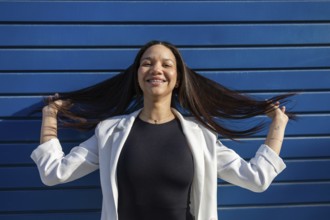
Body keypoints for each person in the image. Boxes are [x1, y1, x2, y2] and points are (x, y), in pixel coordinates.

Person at [31, 40, 293, 220]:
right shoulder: (109, 133)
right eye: (147, 63)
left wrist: (278, 125)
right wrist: (50, 115)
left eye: (167, 64)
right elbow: (54, 173)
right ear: (137, 76)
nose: (156, 69)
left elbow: (256, 178)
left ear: (177, 79)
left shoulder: (200, 137)